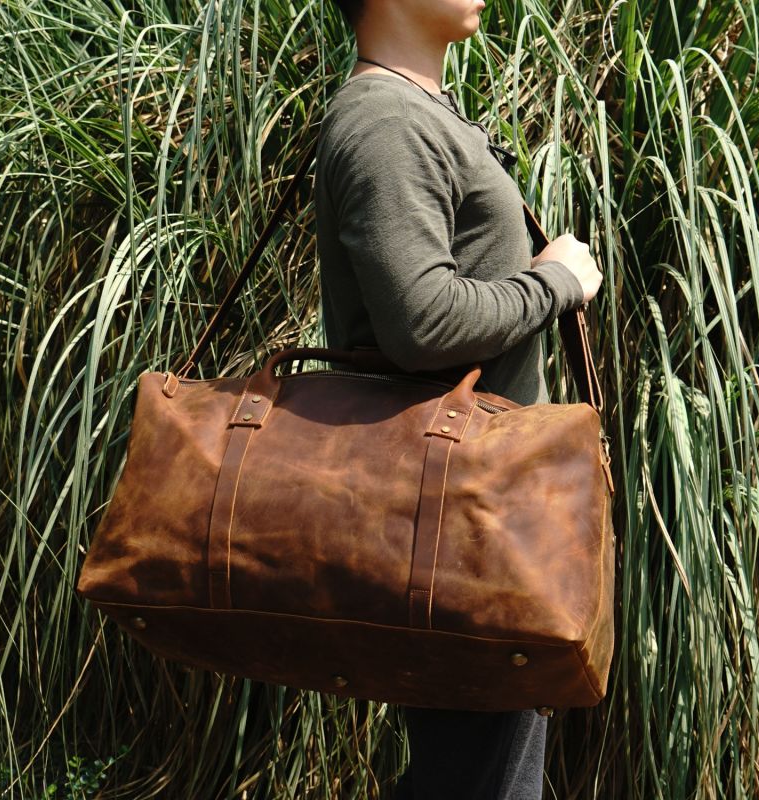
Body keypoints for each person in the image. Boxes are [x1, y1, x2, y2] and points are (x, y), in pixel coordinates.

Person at [314, 1, 603, 797]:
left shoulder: (420, 112)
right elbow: (421, 322)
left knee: (480, 772)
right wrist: (555, 283)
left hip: (468, 521)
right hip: (452, 531)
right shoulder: (385, 121)